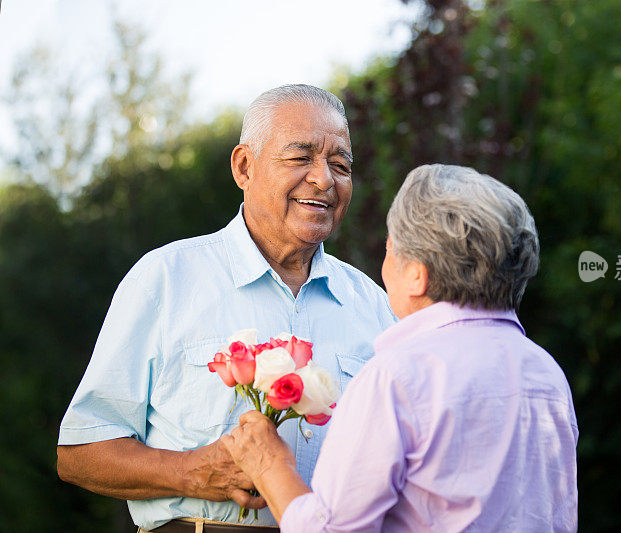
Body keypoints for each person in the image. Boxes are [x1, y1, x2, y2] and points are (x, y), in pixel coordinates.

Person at [56, 84, 397, 532]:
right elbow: (80, 452)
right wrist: (192, 472)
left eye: (341, 165)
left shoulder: (374, 304)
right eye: (300, 158)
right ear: (243, 166)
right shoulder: (166, 278)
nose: (324, 179)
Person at [222, 164, 580, 532]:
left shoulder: (400, 376)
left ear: (416, 275)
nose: (384, 264)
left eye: (391, 248)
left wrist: (270, 466)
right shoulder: (547, 374)